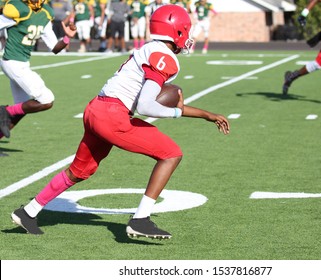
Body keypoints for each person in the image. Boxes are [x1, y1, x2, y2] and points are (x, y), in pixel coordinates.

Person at [10, 4, 230, 239]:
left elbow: (150, 100)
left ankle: (29, 211)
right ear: (176, 31)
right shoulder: (164, 57)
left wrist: (207, 115)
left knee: (79, 170)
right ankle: (141, 219)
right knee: (171, 154)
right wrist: (176, 113)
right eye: (185, 29)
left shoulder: (149, 48)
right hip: (113, 116)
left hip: (96, 108)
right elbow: (147, 106)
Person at [0, 0, 77, 140]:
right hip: (12, 62)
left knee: (22, 109)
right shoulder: (18, 9)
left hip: (22, 63)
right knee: (46, 100)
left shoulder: (45, 13)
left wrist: (67, 38)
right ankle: (4, 111)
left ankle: (6, 113)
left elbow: (54, 48)